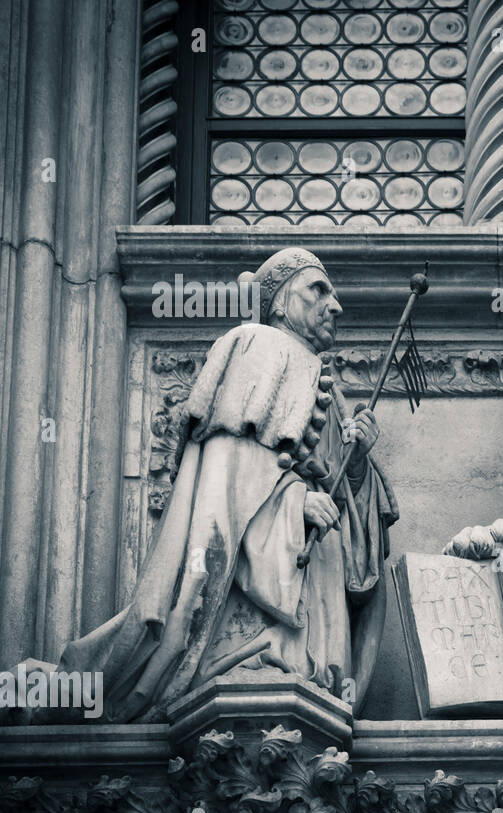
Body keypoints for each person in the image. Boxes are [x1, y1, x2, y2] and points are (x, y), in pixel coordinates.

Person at [59, 248, 397, 721]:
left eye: (334, 293)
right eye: (318, 290)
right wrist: (294, 502)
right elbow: (227, 473)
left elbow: (349, 505)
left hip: (314, 571)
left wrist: (358, 464)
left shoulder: (326, 385)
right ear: (279, 302)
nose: (335, 305)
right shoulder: (255, 346)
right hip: (266, 568)